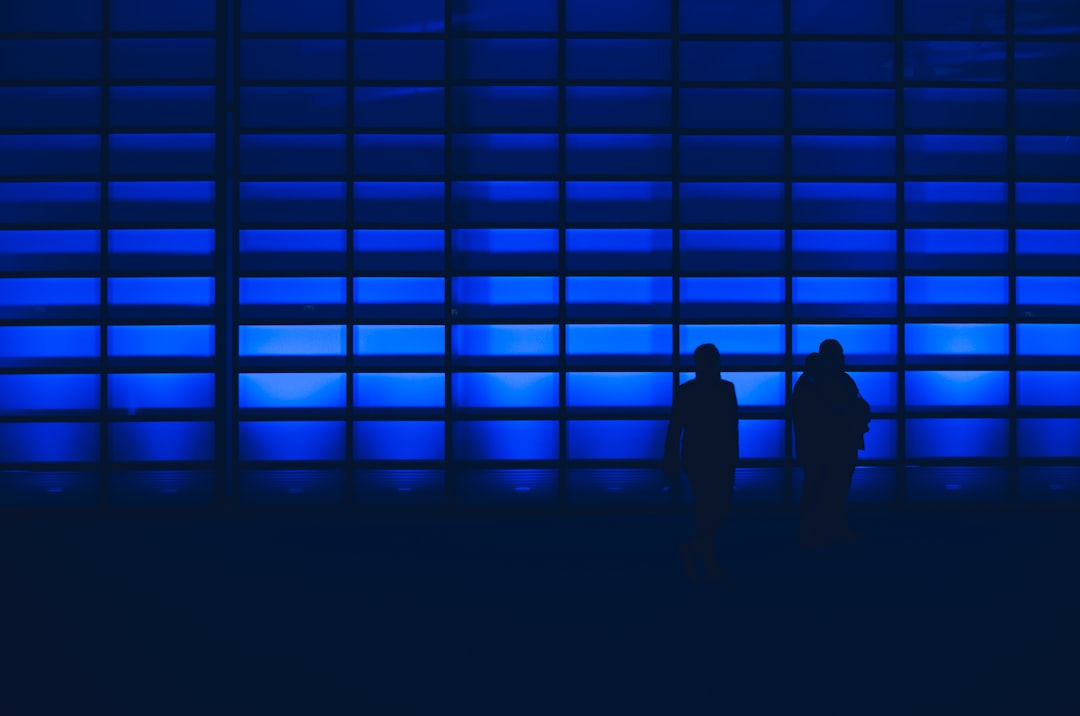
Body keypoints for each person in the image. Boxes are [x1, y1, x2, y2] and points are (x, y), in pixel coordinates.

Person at [663, 343, 739, 582]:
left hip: (697, 457)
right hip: (721, 457)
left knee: (707, 509)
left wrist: (671, 463)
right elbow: (731, 427)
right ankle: (702, 556)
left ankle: (699, 554)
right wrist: (735, 457)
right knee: (718, 510)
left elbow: (675, 429)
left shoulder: (686, 391)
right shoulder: (727, 389)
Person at [791, 340, 870, 548]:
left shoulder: (828, 381)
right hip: (836, 444)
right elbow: (831, 413)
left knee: (833, 487)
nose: (842, 358)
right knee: (830, 487)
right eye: (838, 355)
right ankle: (825, 530)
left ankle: (826, 530)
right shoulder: (831, 381)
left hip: (840, 443)